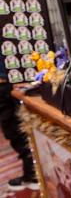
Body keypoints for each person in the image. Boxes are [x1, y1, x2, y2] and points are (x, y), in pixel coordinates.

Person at [0, 55, 38, 191]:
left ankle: (33, 175)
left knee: (15, 130)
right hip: (11, 79)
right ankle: (33, 173)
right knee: (17, 129)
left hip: (9, 83)